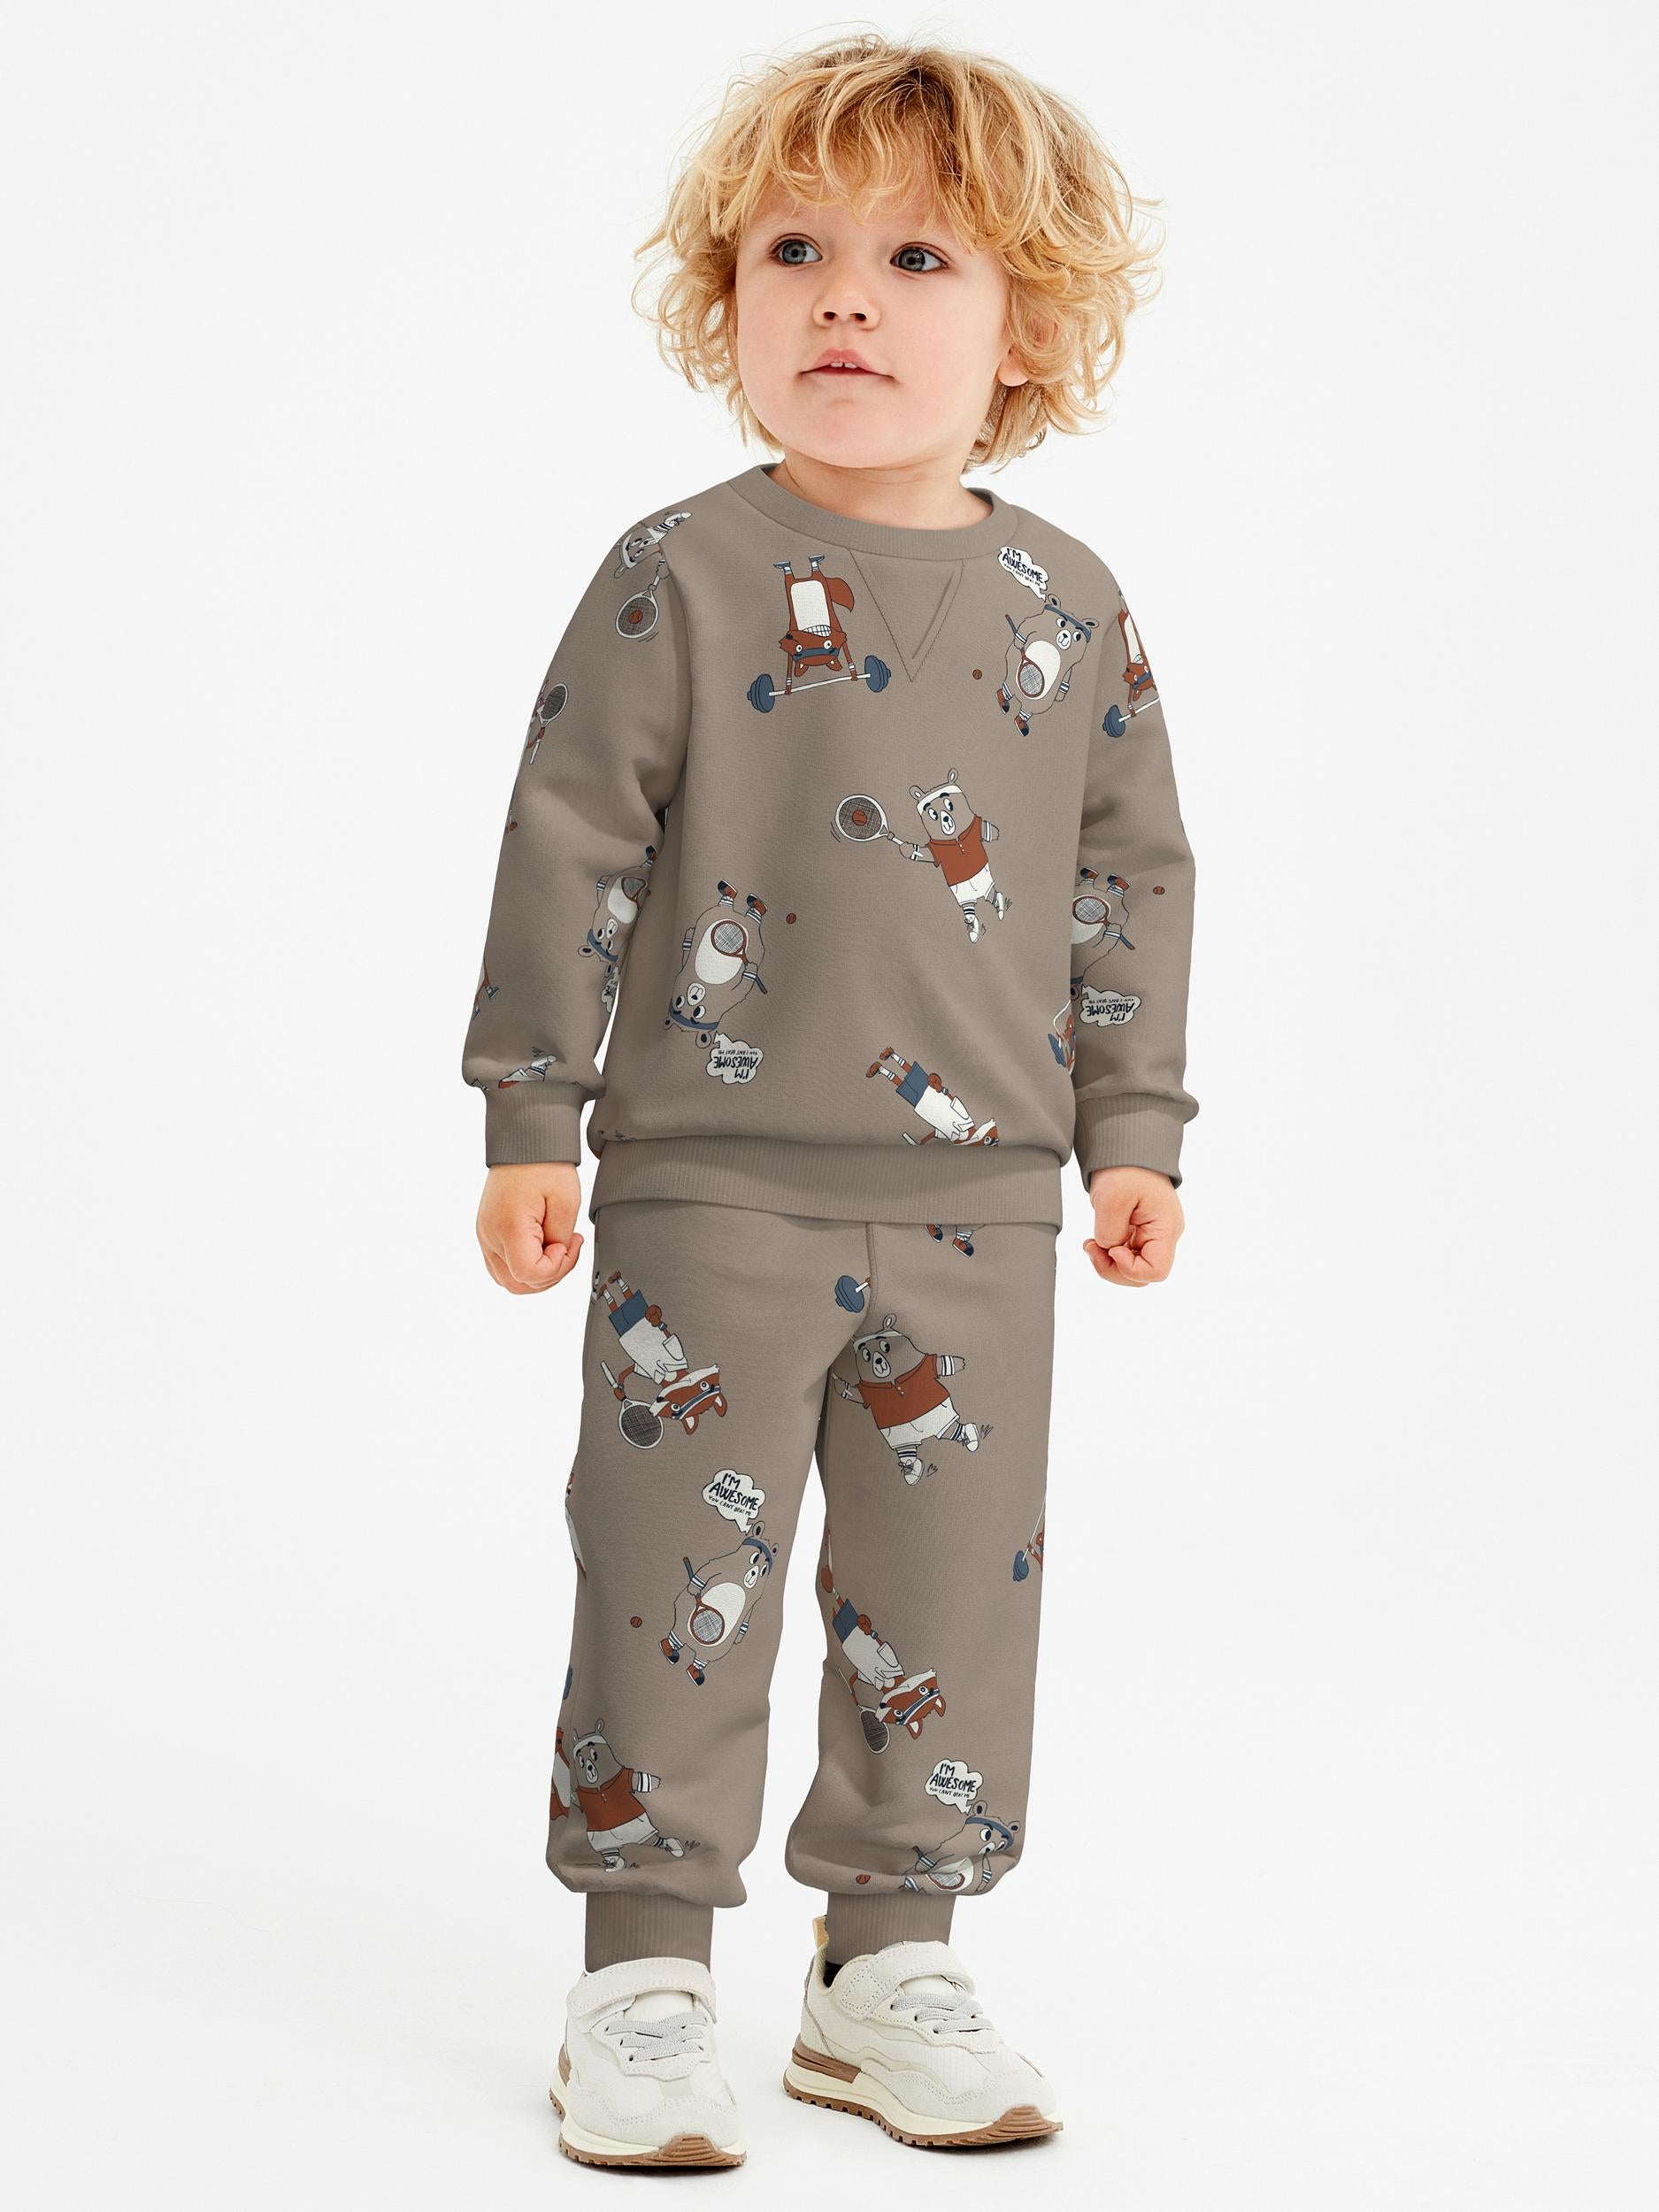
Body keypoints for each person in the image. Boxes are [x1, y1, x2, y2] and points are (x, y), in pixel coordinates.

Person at [462, 32, 1196, 2169]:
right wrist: (526, 1115)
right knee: (665, 1573)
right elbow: (568, 846)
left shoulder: (1071, 604)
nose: (845, 298)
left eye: (914, 257)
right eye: (794, 252)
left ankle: (886, 1963)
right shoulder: (675, 572)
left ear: (1027, 325)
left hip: (986, 1201)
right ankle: (641, 1971)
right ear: (726, 301)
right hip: (708, 1191)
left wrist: (1135, 1126)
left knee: (949, 1594)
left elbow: (1128, 877)